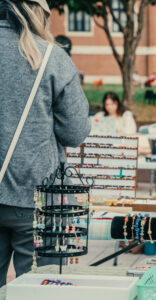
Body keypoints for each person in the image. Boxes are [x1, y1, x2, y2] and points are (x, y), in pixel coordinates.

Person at [0, 0, 90, 286]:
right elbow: (76, 131)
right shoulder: (51, 57)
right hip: (37, 198)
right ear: (39, 13)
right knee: (38, 289)